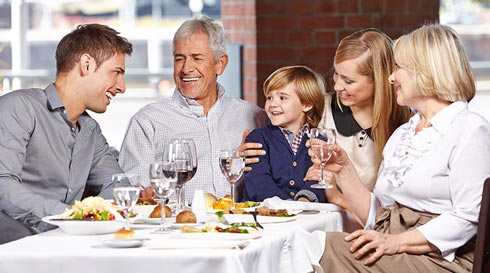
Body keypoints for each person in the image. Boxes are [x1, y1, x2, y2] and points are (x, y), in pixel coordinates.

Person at [310, 24, 490, 273]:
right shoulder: (406, 133)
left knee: (321, 249)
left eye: (400, 68)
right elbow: (378, 214)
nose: (391, 77)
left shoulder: (470, 129)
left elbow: (469, 216)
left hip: (447, 266)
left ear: (427, 71)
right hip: (400, 254)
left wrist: (395, 243)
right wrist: (344, 171)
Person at [0, 24, 133, 243]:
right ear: (87, 65)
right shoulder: (19, 108)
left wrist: (94, 217)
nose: (122, 87)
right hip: (13, 250)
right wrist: (70, 216)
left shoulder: (90, 131)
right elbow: (2, 184)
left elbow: (118, 185)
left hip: (65, 245)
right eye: (116, 73)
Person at [119, 16, 268, 202]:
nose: (186, 68)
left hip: (243, 226)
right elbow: (132, 192)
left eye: (197, 58)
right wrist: (147, 194)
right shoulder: (148, 121)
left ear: (220, 64)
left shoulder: (254, 116)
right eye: (179, 59)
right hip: (178, 228)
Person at [313, 28, 411, 210]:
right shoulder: (320, 110)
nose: (337, 86)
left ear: (380, 80)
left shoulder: (408, 126)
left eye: (348, 81)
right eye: (336, 74)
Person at [242, 65, 326, 202]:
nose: (273, 104)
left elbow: (319, 178)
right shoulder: (257, 138)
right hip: (266, 215)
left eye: (282, 98)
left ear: (306, 104)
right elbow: (258, 180)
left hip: (306, 213)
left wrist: (304, 199)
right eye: (269, 98)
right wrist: (286, 206)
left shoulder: (318, 141)